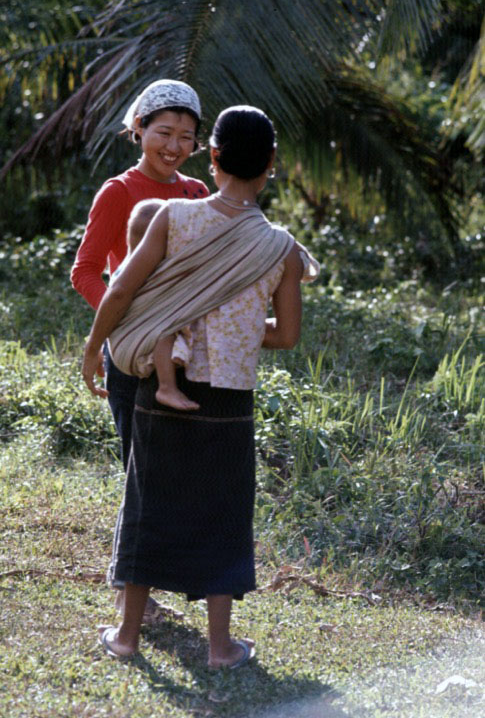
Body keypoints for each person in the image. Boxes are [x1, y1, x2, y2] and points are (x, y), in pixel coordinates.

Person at [82, 105, 319, 669]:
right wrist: (234, 329)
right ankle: (219, 648)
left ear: (211, 157)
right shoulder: (281, 248)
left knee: (148, 502)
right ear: (270, 167)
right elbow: (285, 335)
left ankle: (127, 637)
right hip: (229, 397)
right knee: (222, 513)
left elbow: (120, 292)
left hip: (159, 387)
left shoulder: (171, 217)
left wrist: (95, 348)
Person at [71, 78, 209, 468]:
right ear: (139, 128)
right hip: (132, 346)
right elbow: (85, 271)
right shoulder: (119, 191)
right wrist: (119, 318)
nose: (173, 147)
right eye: (163, 133)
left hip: (189, 345)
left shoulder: (198, 193)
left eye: (186, 137)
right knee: (143, 464)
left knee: (188, 465)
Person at [118, 197, 199, 411]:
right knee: (166, 333)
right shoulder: (144, 271)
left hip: (131, 335)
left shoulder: (125, 267)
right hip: (144, 331)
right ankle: (167, 386)